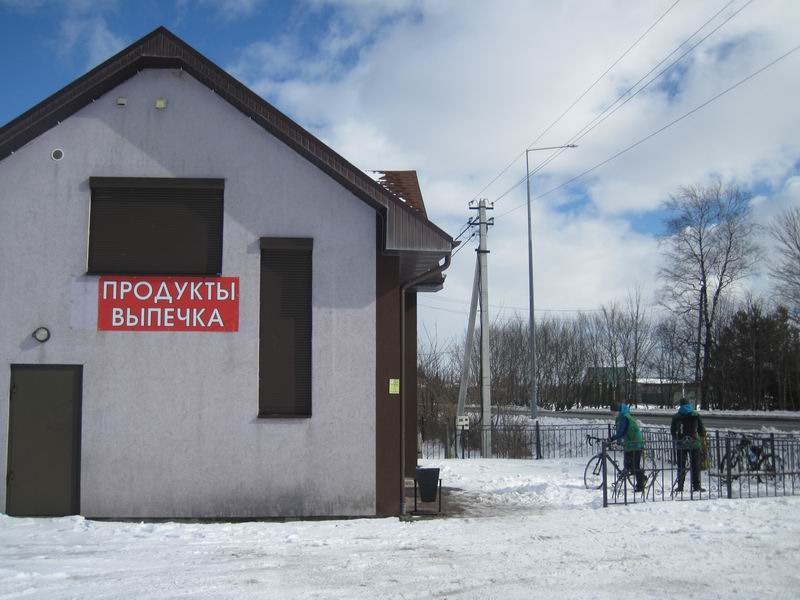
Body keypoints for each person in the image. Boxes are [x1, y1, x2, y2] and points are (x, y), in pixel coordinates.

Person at [671, 398, 707, 493]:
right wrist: (701, 436)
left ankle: (680, 486)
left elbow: (672, 431)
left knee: (681, 466)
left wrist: (677, 439)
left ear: (681, 405)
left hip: (681, 444)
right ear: (689, 405)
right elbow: (702, 430)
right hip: (694, 443)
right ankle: (696, 486)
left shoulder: (676, 416)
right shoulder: (695, 415)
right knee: (695, 466)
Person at [609, 403, 645, 492]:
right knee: (628, 465)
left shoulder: (625, 418)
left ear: (618, 411)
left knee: (635, 465)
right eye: (612, 412)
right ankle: (641, 477)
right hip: (629, 443)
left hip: (635, 443)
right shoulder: (620, 418)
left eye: (613, 412)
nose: (612, 414)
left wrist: (612, 438)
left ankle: (640, 486)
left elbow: (622, 431)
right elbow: (620, 431)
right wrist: (618, 442)